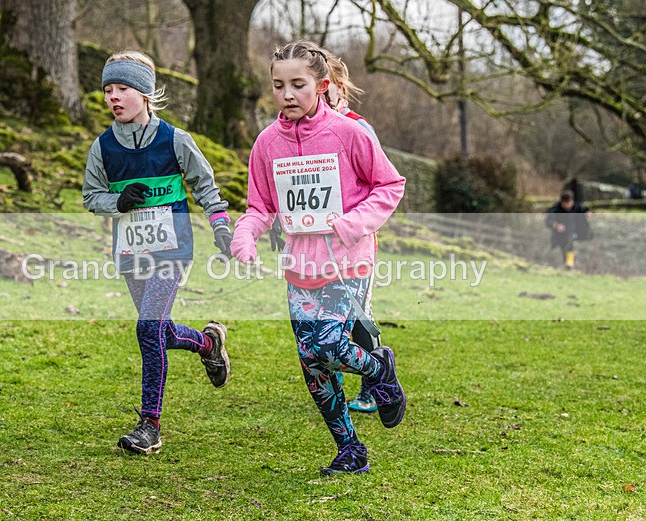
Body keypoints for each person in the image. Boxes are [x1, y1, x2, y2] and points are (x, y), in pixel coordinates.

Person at [231, 41, 406, 475]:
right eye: (278, 85)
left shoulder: (349, 133)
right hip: (299, 267)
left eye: (298, 84)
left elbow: (390, 185)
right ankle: (350, 450)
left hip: (349, 261)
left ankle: (379, 365)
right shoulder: (267, 143)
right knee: (312, 364)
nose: (287, 94)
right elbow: (260, 207)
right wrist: (245, 235)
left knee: (327, 345)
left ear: (322, 85)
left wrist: (348, 224)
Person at [83, 50, 233, 455]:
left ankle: (149, 425)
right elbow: (90, 195)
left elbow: (205, 185)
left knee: (148, 329)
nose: (114, 97)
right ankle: (207, 344)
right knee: (159, 331)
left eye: (123, 89)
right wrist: (118, 203)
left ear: (145, 94)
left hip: (172, 249)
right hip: (131, 251)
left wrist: (220, 225)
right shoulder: (103, 147)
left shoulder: (175, 140)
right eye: (108, 90)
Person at [324, 52, 382, 414]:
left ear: (338, 88)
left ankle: (375, 385)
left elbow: (382, 186)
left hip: (354, 243)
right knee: (322, 315)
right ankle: (333, 376)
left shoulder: (358, 128)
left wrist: (353, 223)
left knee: (359, 313)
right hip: (313, 246)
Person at [545, 190, 592, 269]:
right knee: (564, 247)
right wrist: (556, 225)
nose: (568, 206)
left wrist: (587, 213)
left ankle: (569, 264)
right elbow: (549, 221)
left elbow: (583, 209)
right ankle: (566, 264)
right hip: (560, 234)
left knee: (570, 246)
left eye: (570, 203)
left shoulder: (577, 206)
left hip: (574, 232)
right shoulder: (555, 209)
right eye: (565, 204)